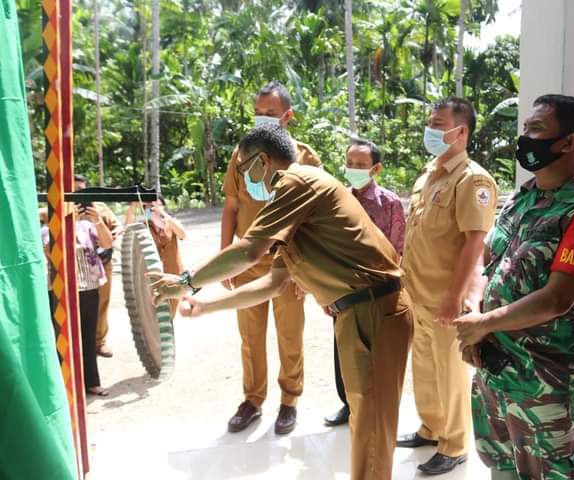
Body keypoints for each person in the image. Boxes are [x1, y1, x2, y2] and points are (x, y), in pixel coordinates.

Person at [150, 125, 412, 480]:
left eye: (243, 170)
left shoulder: (297, 182)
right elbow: (272, 284)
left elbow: (249, 251)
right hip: (357, 314)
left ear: (263, 161)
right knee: (365, 429)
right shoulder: (293, 204)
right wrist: (208, 305)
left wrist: (186, 281)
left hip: (374, 312)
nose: (243, 179)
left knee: (372, 435)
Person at [453, 94, 574, 479]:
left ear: (568, 142)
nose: (525, 137)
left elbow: (557, 298)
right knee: (501, 467)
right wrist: (473, 311)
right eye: (525, 128)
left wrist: (484, 324)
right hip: (494, 368)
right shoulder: (519, 199)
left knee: (549, 474)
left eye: (537, 129)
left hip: (542, 380)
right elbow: (485, 261)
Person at [397, 96, 497, 476]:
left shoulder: (473, 179)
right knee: (424, 367)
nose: (431, 130)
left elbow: (475, 242)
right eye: (431, 123)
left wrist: (456, 298)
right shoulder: (430, 174)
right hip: (417, 293)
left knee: (450, 372)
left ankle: (454, 445)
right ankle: (431, 428)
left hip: (444, 298)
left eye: (439, 124)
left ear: (461, 131)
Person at [220, 81, 321, 436]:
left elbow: (314, 217)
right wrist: (225, 257)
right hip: (249, 262)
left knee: (289, 335)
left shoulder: (306, 157)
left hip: (288, 264)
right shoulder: (241, 154)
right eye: (258, 113)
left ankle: (289, 401)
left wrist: (306, 270)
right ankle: (252, 399)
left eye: (271, 114)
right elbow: (232, 207)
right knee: (250, 336)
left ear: (288, 117)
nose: (262, 120)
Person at [324, 138, 405, 427]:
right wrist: (328, 290)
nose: (353, 169)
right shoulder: (336, 198)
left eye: (361, 164)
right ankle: (348, 404)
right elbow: (329, 247)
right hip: (343, 291)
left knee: (379, 352)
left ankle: (378, 407)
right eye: (350, 163)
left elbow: (397, 250)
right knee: (343, 351)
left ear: (376, 168)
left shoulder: (390, 203)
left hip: (379, 291)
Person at [43, 204, 114, 395]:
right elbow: (50, 252)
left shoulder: (87, 227)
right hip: (59, 289)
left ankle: (91, 382)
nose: (74, 209)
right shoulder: (47, 229)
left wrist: (98, 221)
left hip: (88, 286)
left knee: (88, 335)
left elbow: (107, 244)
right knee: (61, 336)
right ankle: (64, 386)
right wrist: (63, 226)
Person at [74, 174, 122, 358]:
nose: (80, 193)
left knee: (102, 303)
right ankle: (80, 344)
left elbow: (117, 226)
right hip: (76, 267)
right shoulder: (63, 207)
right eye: (76, 189)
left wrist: (115, 231)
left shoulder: (100, 207)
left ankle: (99, 342)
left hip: (102, 262)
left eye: (83, 189)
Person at [126, 197, 186, 317]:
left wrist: (162, 213)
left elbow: (182, 234)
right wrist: (133, 207)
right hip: (152, 276)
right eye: (149, 206)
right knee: (153, 313)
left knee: (171, 312)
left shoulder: (171, 223)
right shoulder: (144, 226)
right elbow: (128, 228)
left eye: (156, 205)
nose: (153, 208)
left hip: (173, 274)